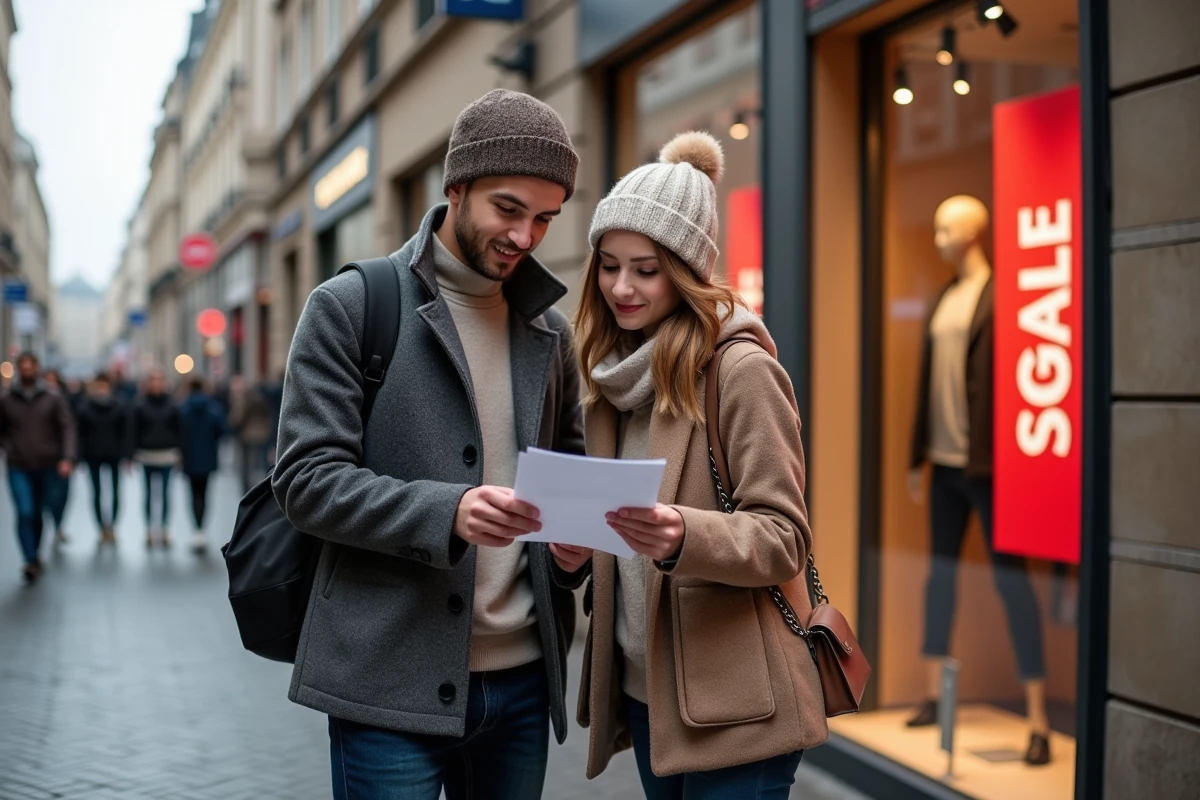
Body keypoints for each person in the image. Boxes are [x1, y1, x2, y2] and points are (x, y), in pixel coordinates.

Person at [271, 89, 583, 800]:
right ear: (456, 188)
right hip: (385, 682)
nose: (526, 236)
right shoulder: (349, 306)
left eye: (545, 219)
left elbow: (565, 476)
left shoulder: (551, 333)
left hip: (523, 685)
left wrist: (573, 554)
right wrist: (448, 512)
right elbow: (306, 480)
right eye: (509, 209)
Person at [553, 132, 828, 798]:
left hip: (740, 706)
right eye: (609, 265)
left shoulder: (740, 370)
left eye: (646, 269)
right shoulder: (612, 376)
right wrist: (576, 552)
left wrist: (682, 534)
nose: (622, 287)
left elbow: (784, 538)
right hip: (651, 698)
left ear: (687, 270)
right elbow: (619, 533)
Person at [0, 353, 75, 583]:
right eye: (22, 367)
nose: (26, 371)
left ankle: (36, 552)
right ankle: (30, 559)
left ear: (37, 369)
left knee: (38, 512)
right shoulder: (7, 400)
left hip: (47, 464)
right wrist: (9, 446)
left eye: (30, 367)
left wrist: (67, 457)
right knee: (25, 511)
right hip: (18, 464)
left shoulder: (52, 398)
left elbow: (66, 428)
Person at [76, 372, 133, 544]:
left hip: (114, 454)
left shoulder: (119, 406)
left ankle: (112, 526)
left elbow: (126, 432)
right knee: (96, 492)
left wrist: (127, 455)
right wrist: (79, 456)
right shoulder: (85, 407)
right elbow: (80, 434)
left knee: (115, 491)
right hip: (93, 455)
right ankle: (101, 527)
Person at [132, 369, 183, 548]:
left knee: (165, 494)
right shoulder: (140, 404)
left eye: (159, 380)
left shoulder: (172, 404)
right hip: (146, 454)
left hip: (167, 454)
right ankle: (148, 530)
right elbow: (134, 430)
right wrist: (131, 454)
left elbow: (179, 430)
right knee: (147, 495)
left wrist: (180, 453)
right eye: (153, 380)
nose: (156, 384)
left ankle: (164, 529)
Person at [179, 377, 228, 553]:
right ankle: (202, 530)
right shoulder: (214, 409)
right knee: (205, 493)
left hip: (189, 458)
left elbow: (178, 433)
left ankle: (197, 529)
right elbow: (222, 431)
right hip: (208, 457)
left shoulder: (183, 409)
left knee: (193, 494)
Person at [41, 368, 74, 546]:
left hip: (61, 456)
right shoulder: (36, 401)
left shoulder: (66, 400)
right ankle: (47, 524)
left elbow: (71, 430)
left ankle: (58, 525)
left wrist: (70, 456)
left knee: (61, 494)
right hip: (39, 457)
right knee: (45, 495)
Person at [228, 375, 272, 492]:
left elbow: (237, 419)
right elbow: (267, 416)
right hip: (261, 434)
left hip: (246, 435)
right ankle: (264, 484)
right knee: (260, 461)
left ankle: (247, 488)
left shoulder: (244, 400)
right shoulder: (261, 399)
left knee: (247, 464)